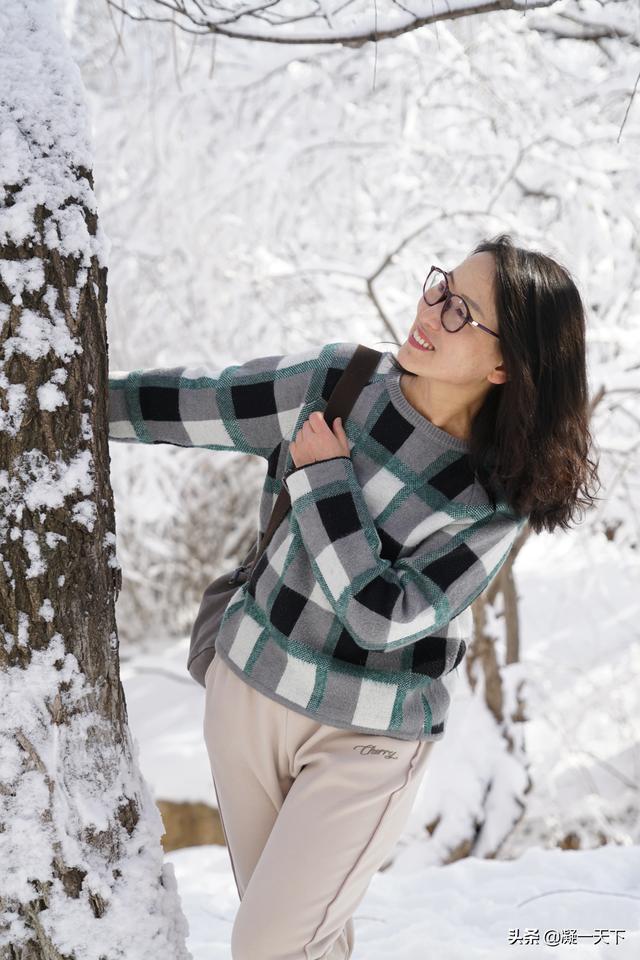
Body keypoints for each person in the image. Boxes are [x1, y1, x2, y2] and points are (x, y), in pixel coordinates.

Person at [108, 233, 600, 959]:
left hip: (363, 741)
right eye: (440, 287)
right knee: (306, 944)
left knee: (270, 944)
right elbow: (195, 403)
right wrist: (59, 394)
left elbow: (381, 615)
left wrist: (321, 479)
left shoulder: (496, 499)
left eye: (463, 311)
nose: (431, 310)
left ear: (506, 365)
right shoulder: (340, 382)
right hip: (246, 695)